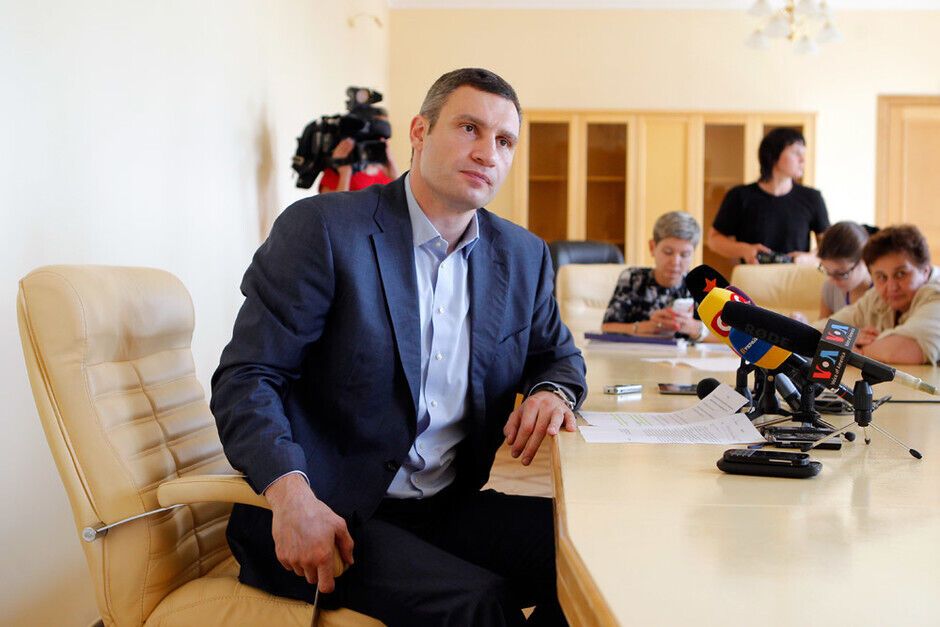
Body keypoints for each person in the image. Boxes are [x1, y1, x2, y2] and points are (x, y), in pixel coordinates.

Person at [211, 68, 586, 626]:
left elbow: (559, 356)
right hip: (326, 510)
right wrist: (290, 496)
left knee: (594, 554)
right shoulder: (324, 230)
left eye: (505, 141)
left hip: (445, 506)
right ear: (419, 131)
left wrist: (552, 392)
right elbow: (248, 378)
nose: (487, 153)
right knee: (480, 602)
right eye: (469, 128)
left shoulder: (522, 255)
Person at [707, 127, 830, 265]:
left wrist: (809, 258)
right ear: (773, 155)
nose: (802, 160)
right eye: (796, 153)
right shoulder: (739, 196)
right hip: (753, 276)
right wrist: (744, 250)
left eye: (803, 154)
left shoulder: (812, 198)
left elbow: (830, 246)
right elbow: (714, 240)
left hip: (796, 276)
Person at [824, 224, 940, 364]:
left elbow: (903, 350)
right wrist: (848, 338)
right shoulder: (875, 297)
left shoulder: (936, 293)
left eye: (901, 274)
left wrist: (849, 346)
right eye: (881, 277)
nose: (891, 287)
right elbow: (820, 329)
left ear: (925, 271)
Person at [601, 211, 708, 340]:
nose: (675, 262)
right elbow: (606, 328)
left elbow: (726, 335)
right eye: (668, 252)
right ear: (652, 247)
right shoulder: (633, 278)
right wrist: (644, 328)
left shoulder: (701, 285)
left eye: (685, 255)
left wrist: (695, 328)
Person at [816, 221, 873, 319]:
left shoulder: (883, 292)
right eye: (827, 271)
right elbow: (823, 326)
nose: (832, 280)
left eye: (841, 274)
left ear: (864, 259)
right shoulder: (830, 288)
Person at [318, 131, 400, 193]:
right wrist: (345, 174)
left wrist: (396, 177)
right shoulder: (336, 171)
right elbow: (333, 208)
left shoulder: (388, 175)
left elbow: (401, 206)